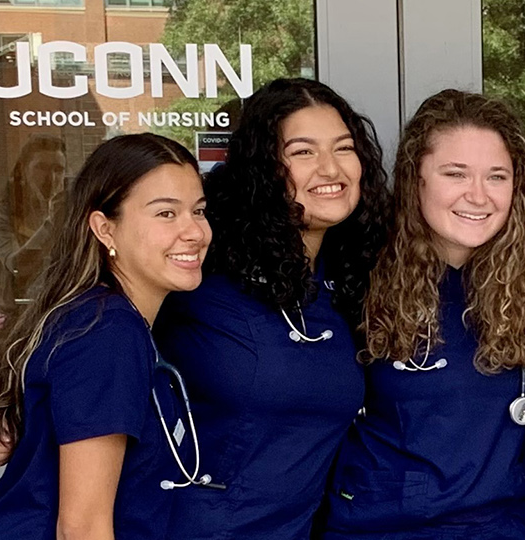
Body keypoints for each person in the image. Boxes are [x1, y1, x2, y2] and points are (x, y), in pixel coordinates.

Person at [326, 89, 525, 539]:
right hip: (378, 524)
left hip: (496, 523)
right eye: (455, 174)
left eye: (496, 176)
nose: (478, 196)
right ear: (416, 178)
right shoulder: (360, 273)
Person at [153, 78, 392, 538]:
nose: (330, 168)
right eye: (303, 152)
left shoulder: (347, 281)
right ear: (263, 167)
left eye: (343, 148)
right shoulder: (202, 274)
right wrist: (8, 396)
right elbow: (100, 317)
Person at [0, 133, 211, 539]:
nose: (195, 232)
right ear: (104, 228)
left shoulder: (99, 318)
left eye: (198, 211)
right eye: (166, 214)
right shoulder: (108, 334)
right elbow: (82, 528)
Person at [0, 135, 69, 303]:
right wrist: (51, 224)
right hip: (22, 309)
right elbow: (16, 266)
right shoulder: (0, 213)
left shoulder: (73, 210)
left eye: (58, 170)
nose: (50, 178)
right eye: (41, 168)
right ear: (23, 170)